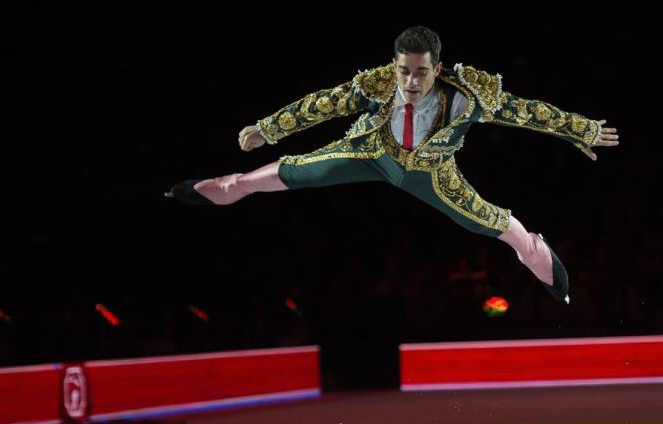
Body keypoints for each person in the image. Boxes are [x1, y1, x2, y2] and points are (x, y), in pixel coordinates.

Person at [167, 26, 619, 303]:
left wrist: (577, 129)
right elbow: (324, 103)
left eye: (421, 72)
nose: (411, 81)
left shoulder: (466, 96)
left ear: (437, 68)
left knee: (499, 227)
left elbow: (522, 110)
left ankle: (540, 258)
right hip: (371, 151)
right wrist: (269, 128)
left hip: (432, 174)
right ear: (395, 64)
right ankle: (218, 189)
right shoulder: (379, 84)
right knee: (275, 175)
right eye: (404, 70)